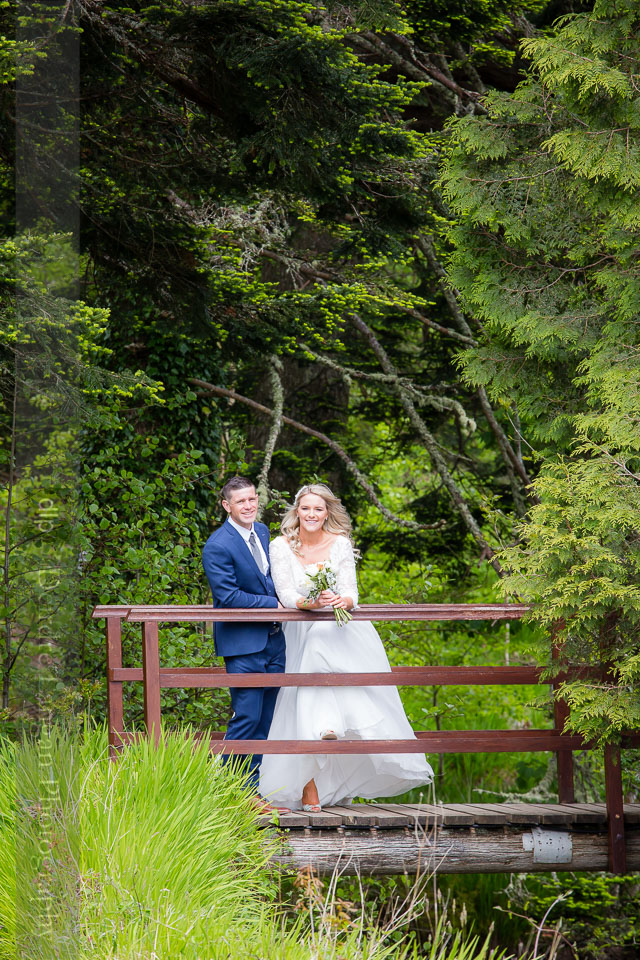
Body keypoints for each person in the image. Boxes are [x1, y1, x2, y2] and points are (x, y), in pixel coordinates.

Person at [259, 482, 433, 811]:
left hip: (339, 629)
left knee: (323, 646)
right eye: (306, 508)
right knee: (297, 693)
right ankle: (310, 780)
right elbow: (285, 596)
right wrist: (309, 601)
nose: (311, 514)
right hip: (299, 628)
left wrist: (341, 599)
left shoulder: (339, 544)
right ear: (297, 511)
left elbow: (353, 593)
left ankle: (329, 746)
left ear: (328, 513)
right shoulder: (281, 545)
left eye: (318, 509)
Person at [201, 476, 289, 815]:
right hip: (243, 644)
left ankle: (250, 790)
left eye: (252, 499)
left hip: (274, 640)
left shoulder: (264, 532)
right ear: (227, 506)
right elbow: (228, 596)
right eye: (241, 502)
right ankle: (229, 789)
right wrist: (275, 605)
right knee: (246, 715)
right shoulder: (218, 545)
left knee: (265, 718)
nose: (249, 506)